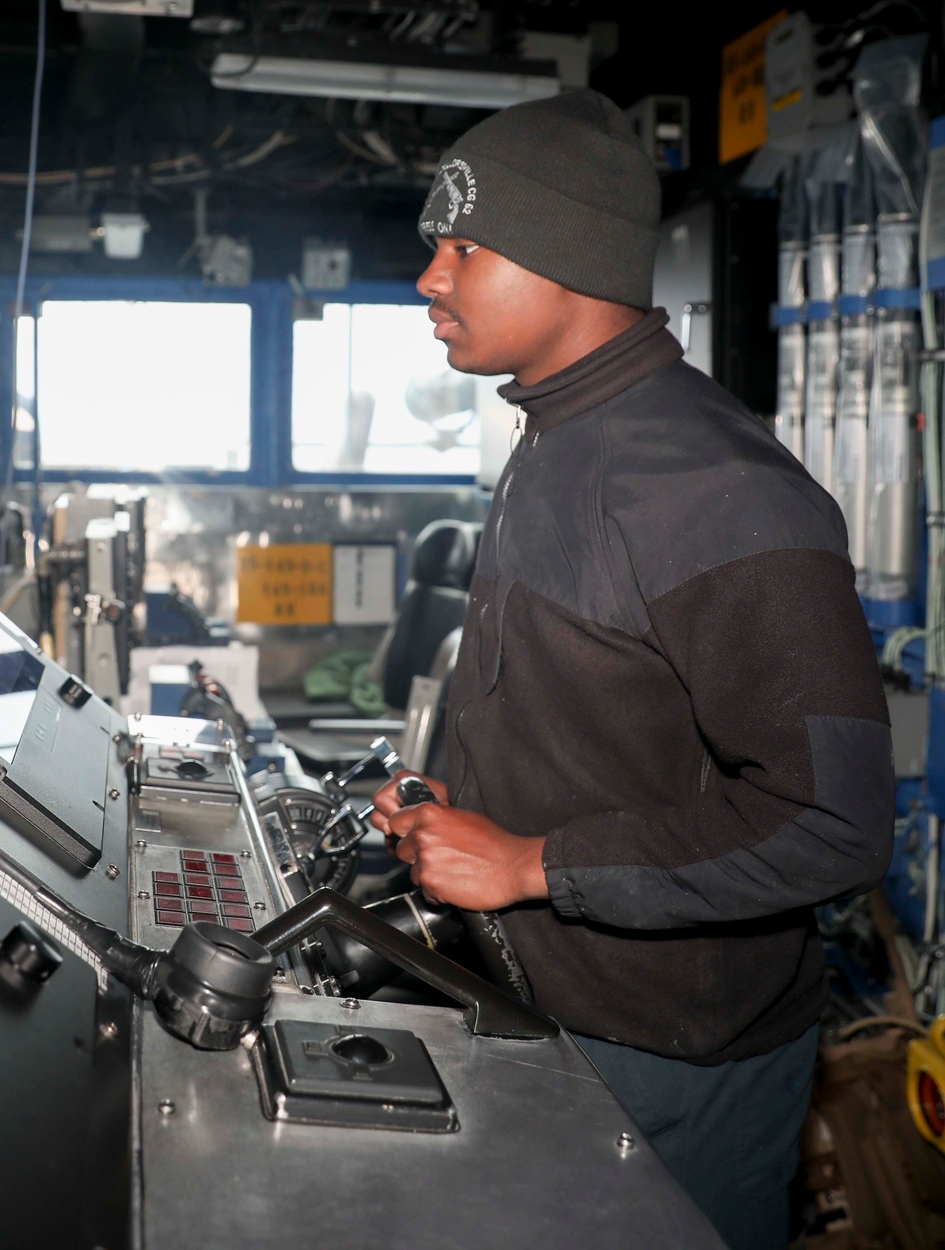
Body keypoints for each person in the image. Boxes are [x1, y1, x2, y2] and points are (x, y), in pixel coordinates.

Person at [369, 88, 895, 1250]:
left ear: (566, 260)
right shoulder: (557, 437)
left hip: (667, 1064)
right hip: (541, 1011)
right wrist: (472, 818)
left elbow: (833, 821)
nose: (429, 280)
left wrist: (530, 861)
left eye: (464, 246)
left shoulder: (716, 487)